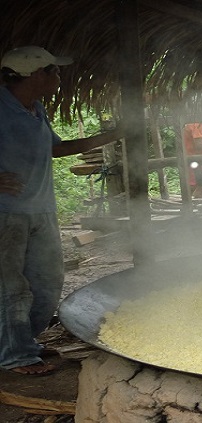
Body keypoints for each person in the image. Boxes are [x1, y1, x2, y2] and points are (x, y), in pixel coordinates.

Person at [0, 46, 122, 375]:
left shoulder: (35, 109)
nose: (59, 76)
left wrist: (108, 137)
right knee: (10, 286)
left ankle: (25, 340)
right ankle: (15, 356)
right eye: (54, 71)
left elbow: (56, 148)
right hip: (5, 214)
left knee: (47, 280)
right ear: (36, 74)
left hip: (40, 210)